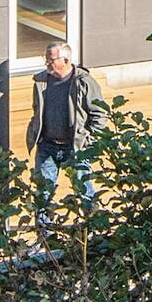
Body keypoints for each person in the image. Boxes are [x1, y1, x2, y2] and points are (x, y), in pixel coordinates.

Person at [26, 41, 105, 226]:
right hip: (47, 146)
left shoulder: (84, 82)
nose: (47, 63)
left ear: (66, 60)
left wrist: (89, 140)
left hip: (75, 147)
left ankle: (92, 229)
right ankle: (44, 233)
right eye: (46, 59)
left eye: (51, 60)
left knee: (83, 190)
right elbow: (37, 109)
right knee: (43, 193)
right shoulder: (41, 81)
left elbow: (100, 114)